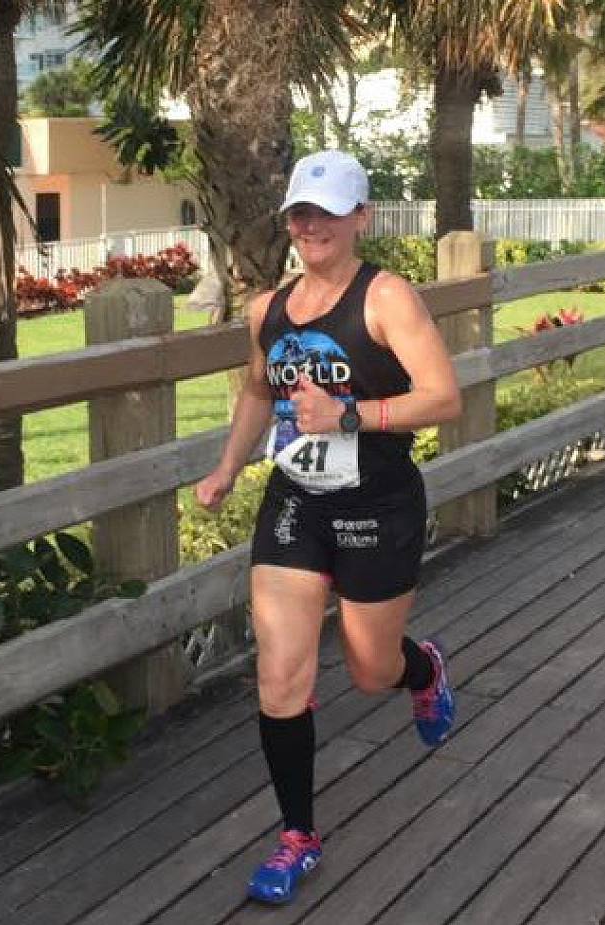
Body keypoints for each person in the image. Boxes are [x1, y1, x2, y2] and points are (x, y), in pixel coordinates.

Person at [195, 149, 462, 904]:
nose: (312, 226)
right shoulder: (268, 311)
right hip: (297, 503)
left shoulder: (387, 299)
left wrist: (349, 414)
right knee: (281, 675)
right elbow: (258, 391)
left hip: (378, 503)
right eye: (301, 214)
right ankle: (298, 836)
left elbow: (444, 398)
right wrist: (226, 467)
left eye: (328, 213)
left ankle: (422, 670)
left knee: (371, 670)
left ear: (360, 217)